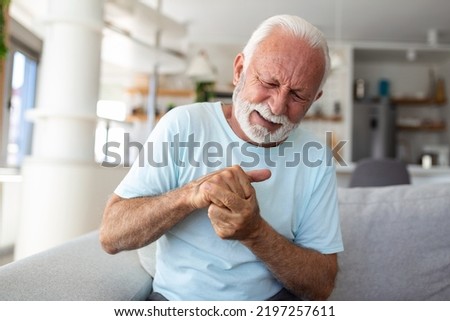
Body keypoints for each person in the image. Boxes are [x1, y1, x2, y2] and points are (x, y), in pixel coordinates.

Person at [100, 14, 343, 301]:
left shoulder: (316, 158)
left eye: (298, 96)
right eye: (269, 82)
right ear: (240, 70)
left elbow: (321, 286)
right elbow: (112, 235)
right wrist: (192, 194)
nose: (278, 106)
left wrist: (254, 232)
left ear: (314, 100)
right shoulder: (183, 124)